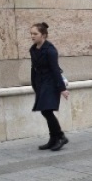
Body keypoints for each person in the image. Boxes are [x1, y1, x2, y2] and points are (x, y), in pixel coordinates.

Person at [29, 22, 70, 151]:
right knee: (45, 111)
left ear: (44, 35)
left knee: (47, 110)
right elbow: (33, 68)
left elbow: (55, 70)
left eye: (35, 34)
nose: (32, 36)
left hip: (51, 83)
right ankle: (54, 139)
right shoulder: (33, 49)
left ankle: (61, 136)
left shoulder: (50, 50)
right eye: (31, 34)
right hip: (40, 82)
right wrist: (34, 84)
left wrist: (62, 89)